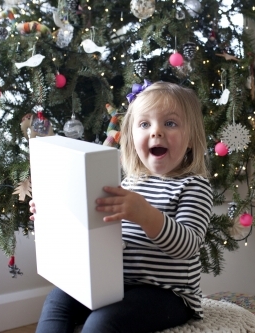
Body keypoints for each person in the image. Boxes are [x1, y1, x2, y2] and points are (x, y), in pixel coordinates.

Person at [29, 80, 213, 333]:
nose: (156, 132)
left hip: (168, 294)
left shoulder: (194, 186)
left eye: (170, 123)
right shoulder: (130, 182)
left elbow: (188, 246)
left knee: (103, 322)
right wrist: (52, 214)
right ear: (132, 136)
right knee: (57, 300)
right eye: (145, 124)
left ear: (191, 138)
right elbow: (95, 226)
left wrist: (146, 215)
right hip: (113, 284)